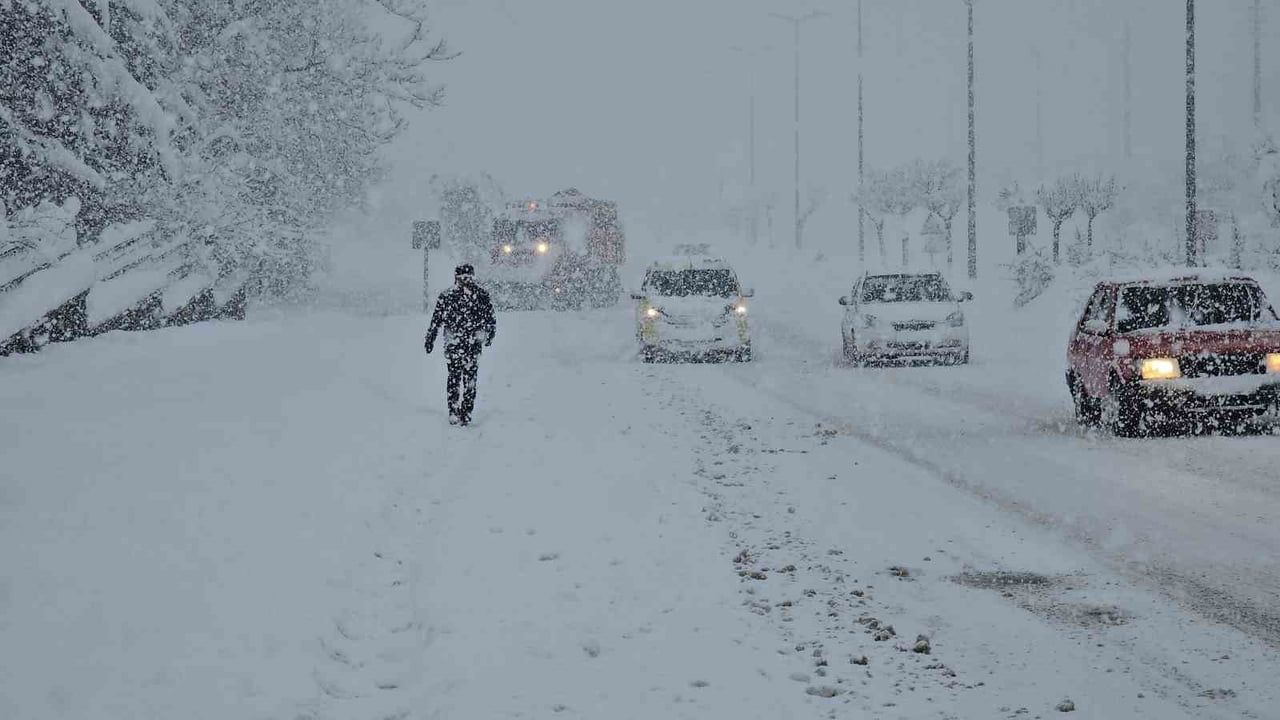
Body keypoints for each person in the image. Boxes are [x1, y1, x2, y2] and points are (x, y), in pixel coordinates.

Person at [424, 264, 497, 426]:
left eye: (468, 277)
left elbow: (490, 318)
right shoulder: (449, 296)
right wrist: (430, 337)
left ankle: (465, 411)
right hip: (456, 344)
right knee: (457, 378)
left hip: (468, 343)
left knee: (466, 380)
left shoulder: (479, 295)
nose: (465, 280)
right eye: (463, 277)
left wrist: (490, 333)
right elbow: (437, 319)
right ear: (456, 278)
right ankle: (455, 410)